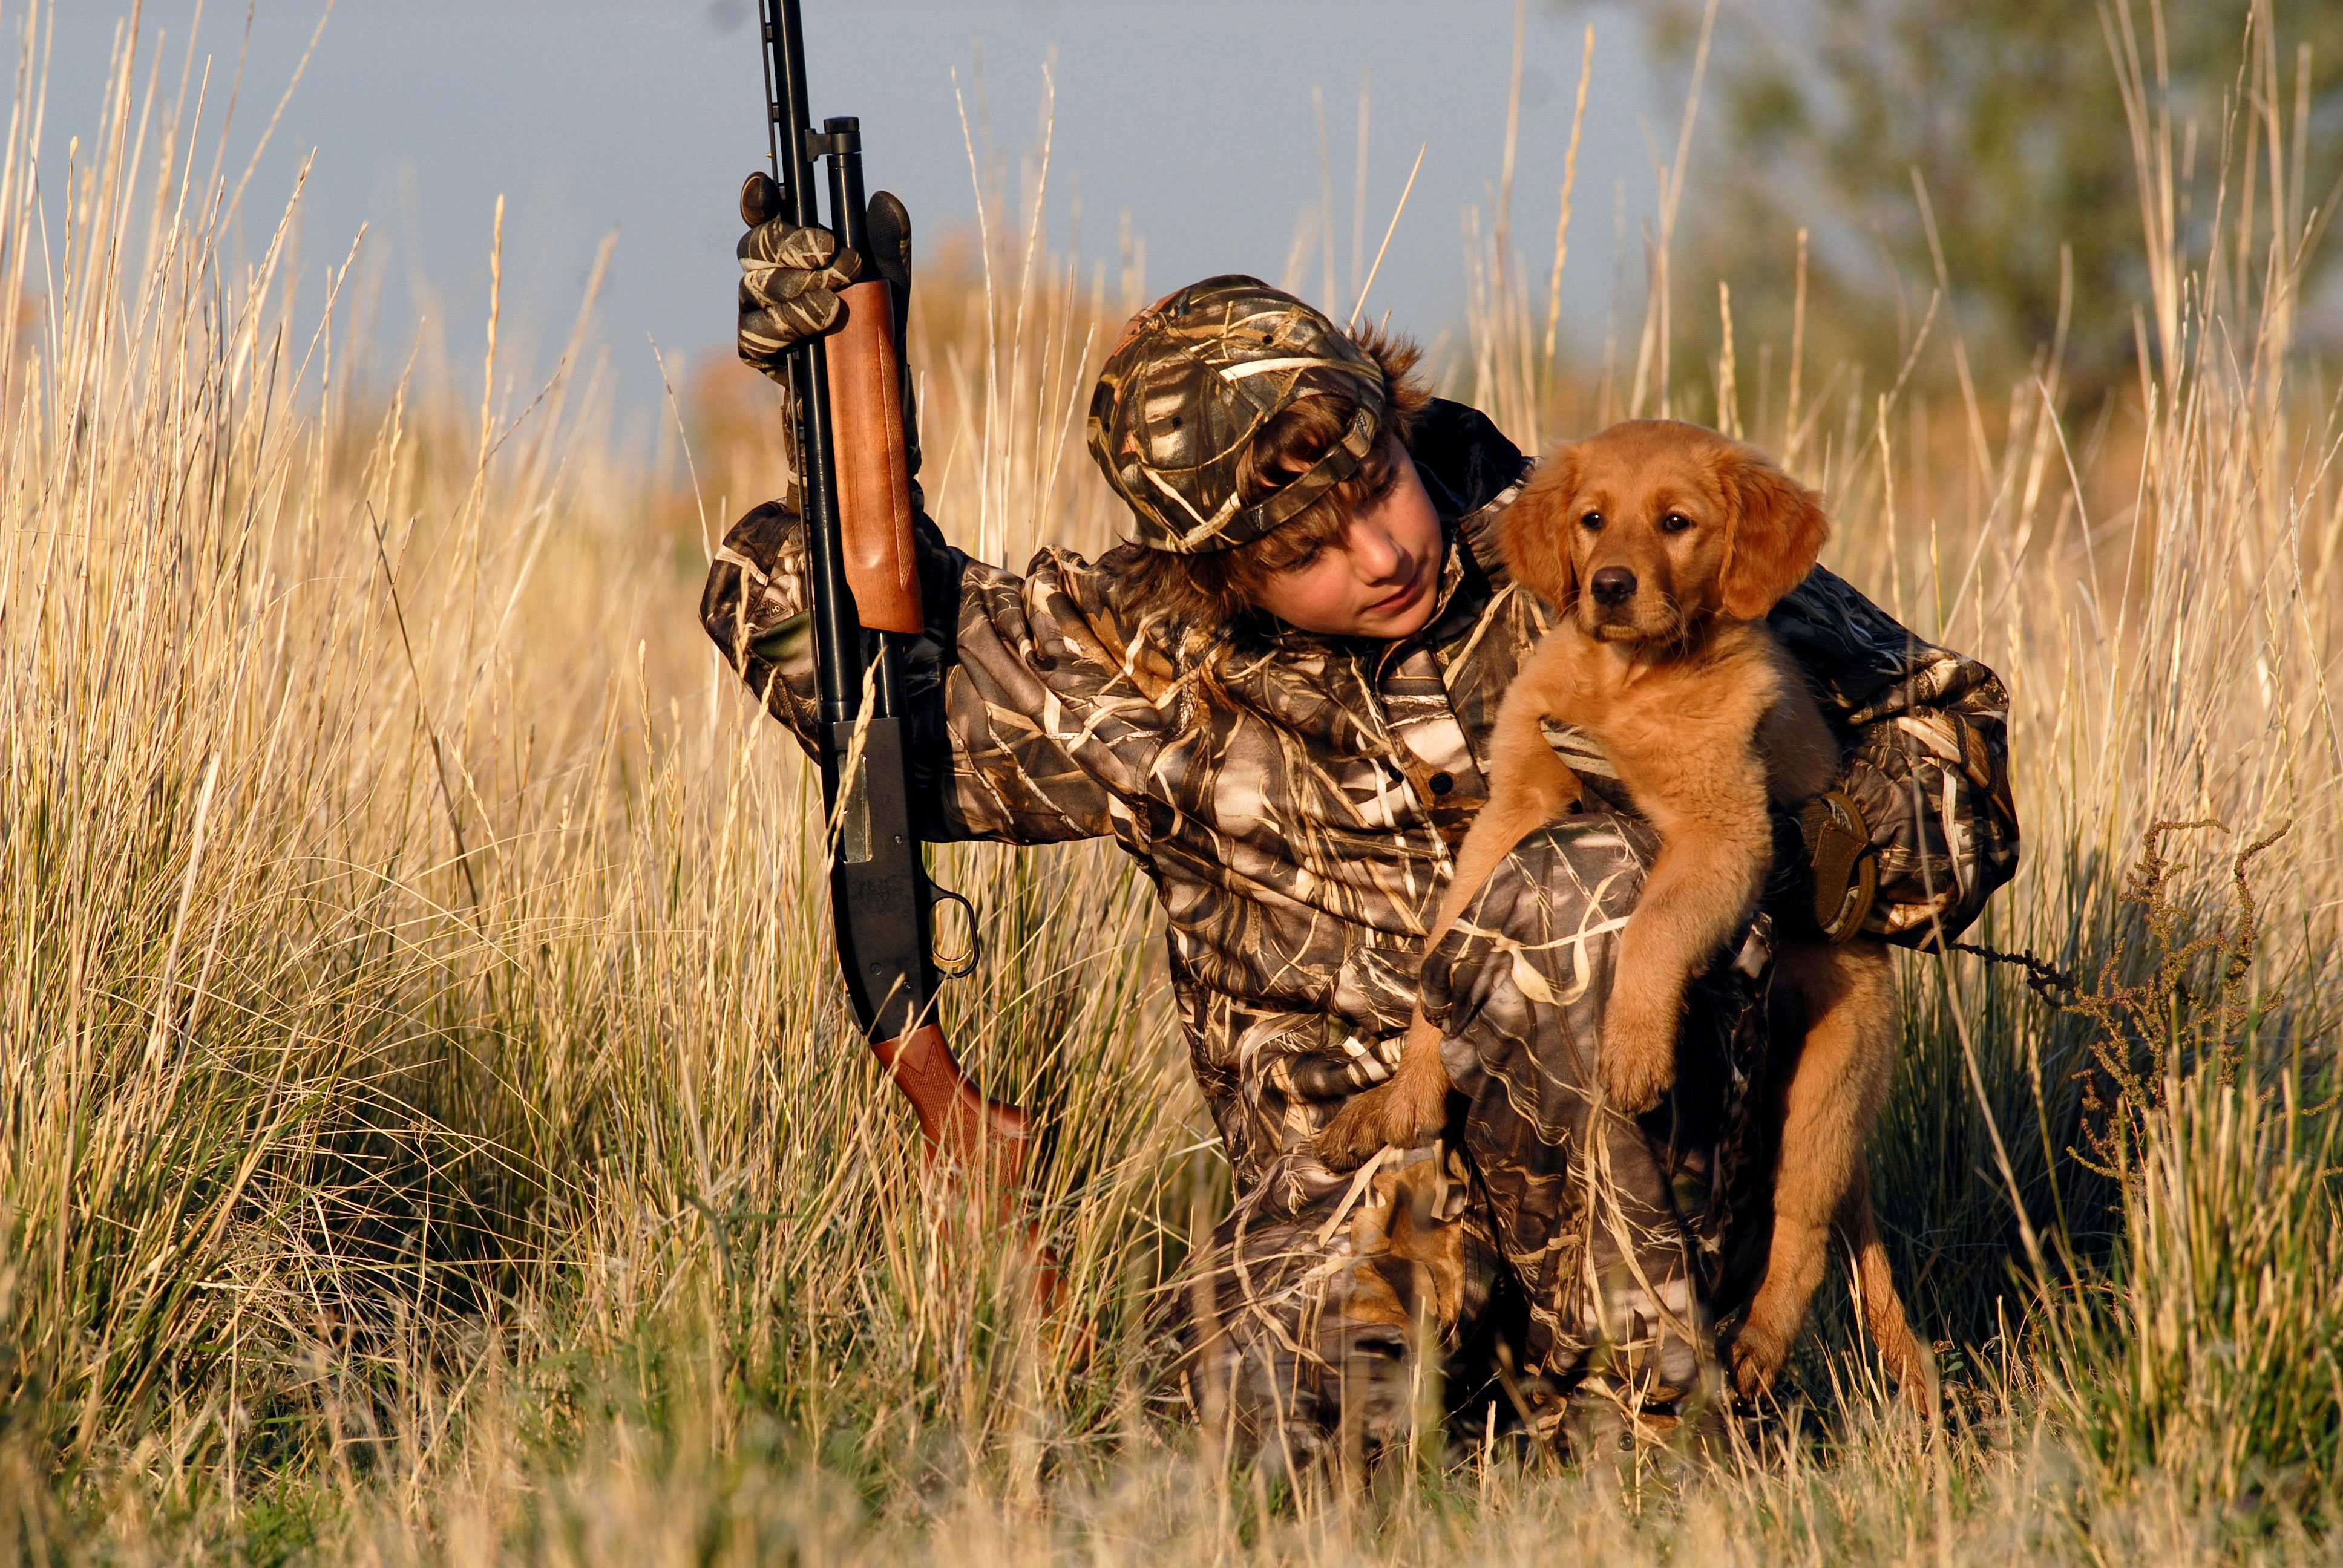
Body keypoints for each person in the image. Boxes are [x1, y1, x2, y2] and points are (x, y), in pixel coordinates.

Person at [706, 199, 2018, 1470]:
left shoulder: (1581, 526)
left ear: (1398, 418)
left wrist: (1747, 856)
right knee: (1212, 1456)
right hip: (1361, 1203)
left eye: (1376, 481)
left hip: (1653, 1177)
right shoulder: (1149, 667)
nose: (1378, 549)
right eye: (1303, 547)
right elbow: (861, 693)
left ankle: (1655, 1425)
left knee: (1573, 896)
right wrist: (830, 428)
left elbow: (1950, 736)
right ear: (1217, 573)